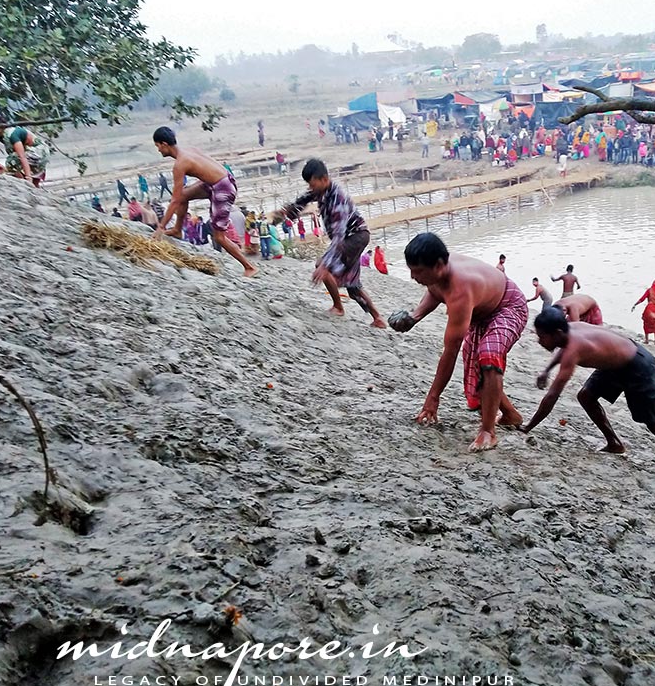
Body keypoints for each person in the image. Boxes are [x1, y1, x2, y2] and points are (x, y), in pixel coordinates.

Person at [520, 306, 655, 488]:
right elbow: (561, 348)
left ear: (556, 333)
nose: (539, 341)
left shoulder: (574, 348)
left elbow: (552, 395)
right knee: (586, 396)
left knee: (654, 422)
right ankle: (614, 443)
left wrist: (528, 427)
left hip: (639, 366)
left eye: (542, 336)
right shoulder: (568, 330)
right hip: (615, 365)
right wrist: (547, 370)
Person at [389, 233, 527, 452]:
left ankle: (488, 432)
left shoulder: (460, 288)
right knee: (478, 363)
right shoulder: (436, 272)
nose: (414, 277)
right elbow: (434, 291)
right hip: (482, 309)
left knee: (488, 356)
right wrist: (415, 317)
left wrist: (433, 399)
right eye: (411, 270)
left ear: (440, 265)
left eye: (418, 271)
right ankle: (510, 414)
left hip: (508, 306)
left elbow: (450, 351)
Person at [274, 158, 386, 328]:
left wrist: (325, 264)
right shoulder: (321, 190)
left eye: (313, 184)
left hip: (354, 238)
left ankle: (338, 307)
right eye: (309, 185)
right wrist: (288, 210)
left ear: (324, 179)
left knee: (322, 265)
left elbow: (339, 237)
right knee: (352, 285)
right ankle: (377, 318)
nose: (311, 189)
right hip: (350, 238)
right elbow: (304, 199)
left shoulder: (338, 200)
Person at [151, 126, 258, 277]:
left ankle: (249, 267)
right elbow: (179, 196)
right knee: (183, 195)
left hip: (223, 189)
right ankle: (177, 229)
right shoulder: (189, 150)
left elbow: (174, 201)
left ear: (164, 144)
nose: (159, 150)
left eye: (158, 146)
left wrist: (161, 226)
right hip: (219, 182)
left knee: (219, 237)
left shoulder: (180, 164)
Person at [0, 111, 50, 186]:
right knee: (14, 161)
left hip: (38, 153)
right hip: (26, 155)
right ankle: (29, 185)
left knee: (12, 161)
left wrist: (28, 178)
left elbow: (22, 157)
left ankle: (25, 183)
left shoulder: (12, 134)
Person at [632, 279, 655, 343]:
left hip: (649, 309)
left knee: (646, 324)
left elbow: (642, 299)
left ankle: (646, 339)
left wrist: (635, 304)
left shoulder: (649, 290)